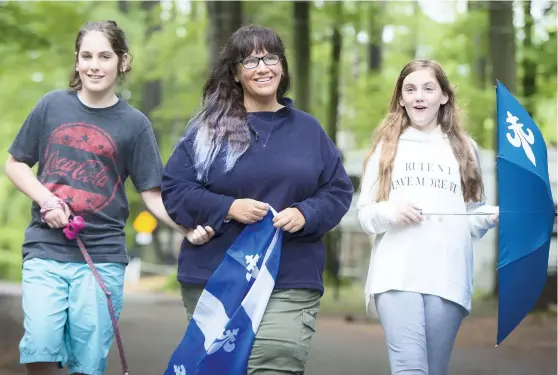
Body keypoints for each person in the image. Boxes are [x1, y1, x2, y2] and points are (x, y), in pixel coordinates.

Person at [5, 20, 207, 375]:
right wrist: (47, 200)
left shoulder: (135, 125)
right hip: (45, 249)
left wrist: (185, 228)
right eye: (86, 56)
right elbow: (16, 163)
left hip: (101, 257)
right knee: (39, 348)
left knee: (88, 364)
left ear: (122, 62)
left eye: (104, 56)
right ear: (77, 60)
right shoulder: (51, 106)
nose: (93, 65)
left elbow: (152, 194)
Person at [161, 25, 354, 374]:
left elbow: (337, 190)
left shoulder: (309, 130)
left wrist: (306, 213)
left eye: (271, 58)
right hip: (216, 275)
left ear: (282, 67)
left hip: (290, 274)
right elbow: (175, 189)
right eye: (250, 60)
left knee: (274, 362)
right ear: (235, 73)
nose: (262, 67)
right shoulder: (207, 130)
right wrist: (227, 208)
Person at [357, 59, 499, 375]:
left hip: (448, 275)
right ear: (402, 98)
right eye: (410, 89)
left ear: (444, 96)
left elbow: (469, 220)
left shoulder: (465, 149)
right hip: (396, 274)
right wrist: (389, 211)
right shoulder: (386, 148)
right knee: (409, 368)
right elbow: (365, 215)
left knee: (434, 370)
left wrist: (489, 217)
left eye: (428, 88)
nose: (419, 96)